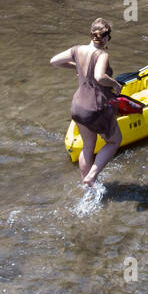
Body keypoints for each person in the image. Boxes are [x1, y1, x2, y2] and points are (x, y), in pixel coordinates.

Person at [50, 18, 124, 188]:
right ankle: (91, 177)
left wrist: (77, 68)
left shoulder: (77, 49)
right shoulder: (102, 54)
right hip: (95, 107)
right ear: (105, 38)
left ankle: (87, 186)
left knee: (87, 147)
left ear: (91, 35)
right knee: (114, 141)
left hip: (77, 106)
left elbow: (54, 61)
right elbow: (99, 77)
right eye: (109, 37)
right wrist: (115, 84)